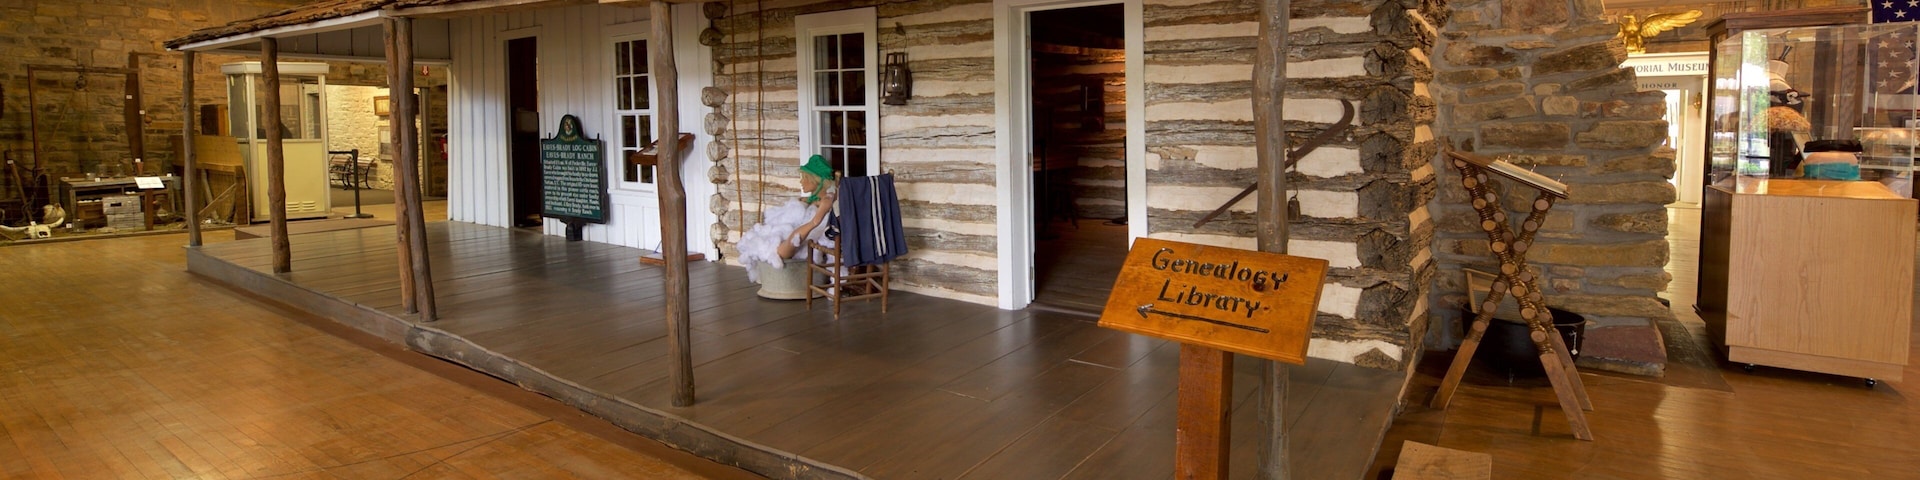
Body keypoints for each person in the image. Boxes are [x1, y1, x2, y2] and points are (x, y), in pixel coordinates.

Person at [737, 155, 837, 283]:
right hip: (793, 232)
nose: (801, 181)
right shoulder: (810, 201)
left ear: (815, 180)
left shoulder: (825, 203)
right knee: (766, 236)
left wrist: (815, 220)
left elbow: (807, 234)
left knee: (783, 249)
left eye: (804, 178)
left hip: (806, 237)